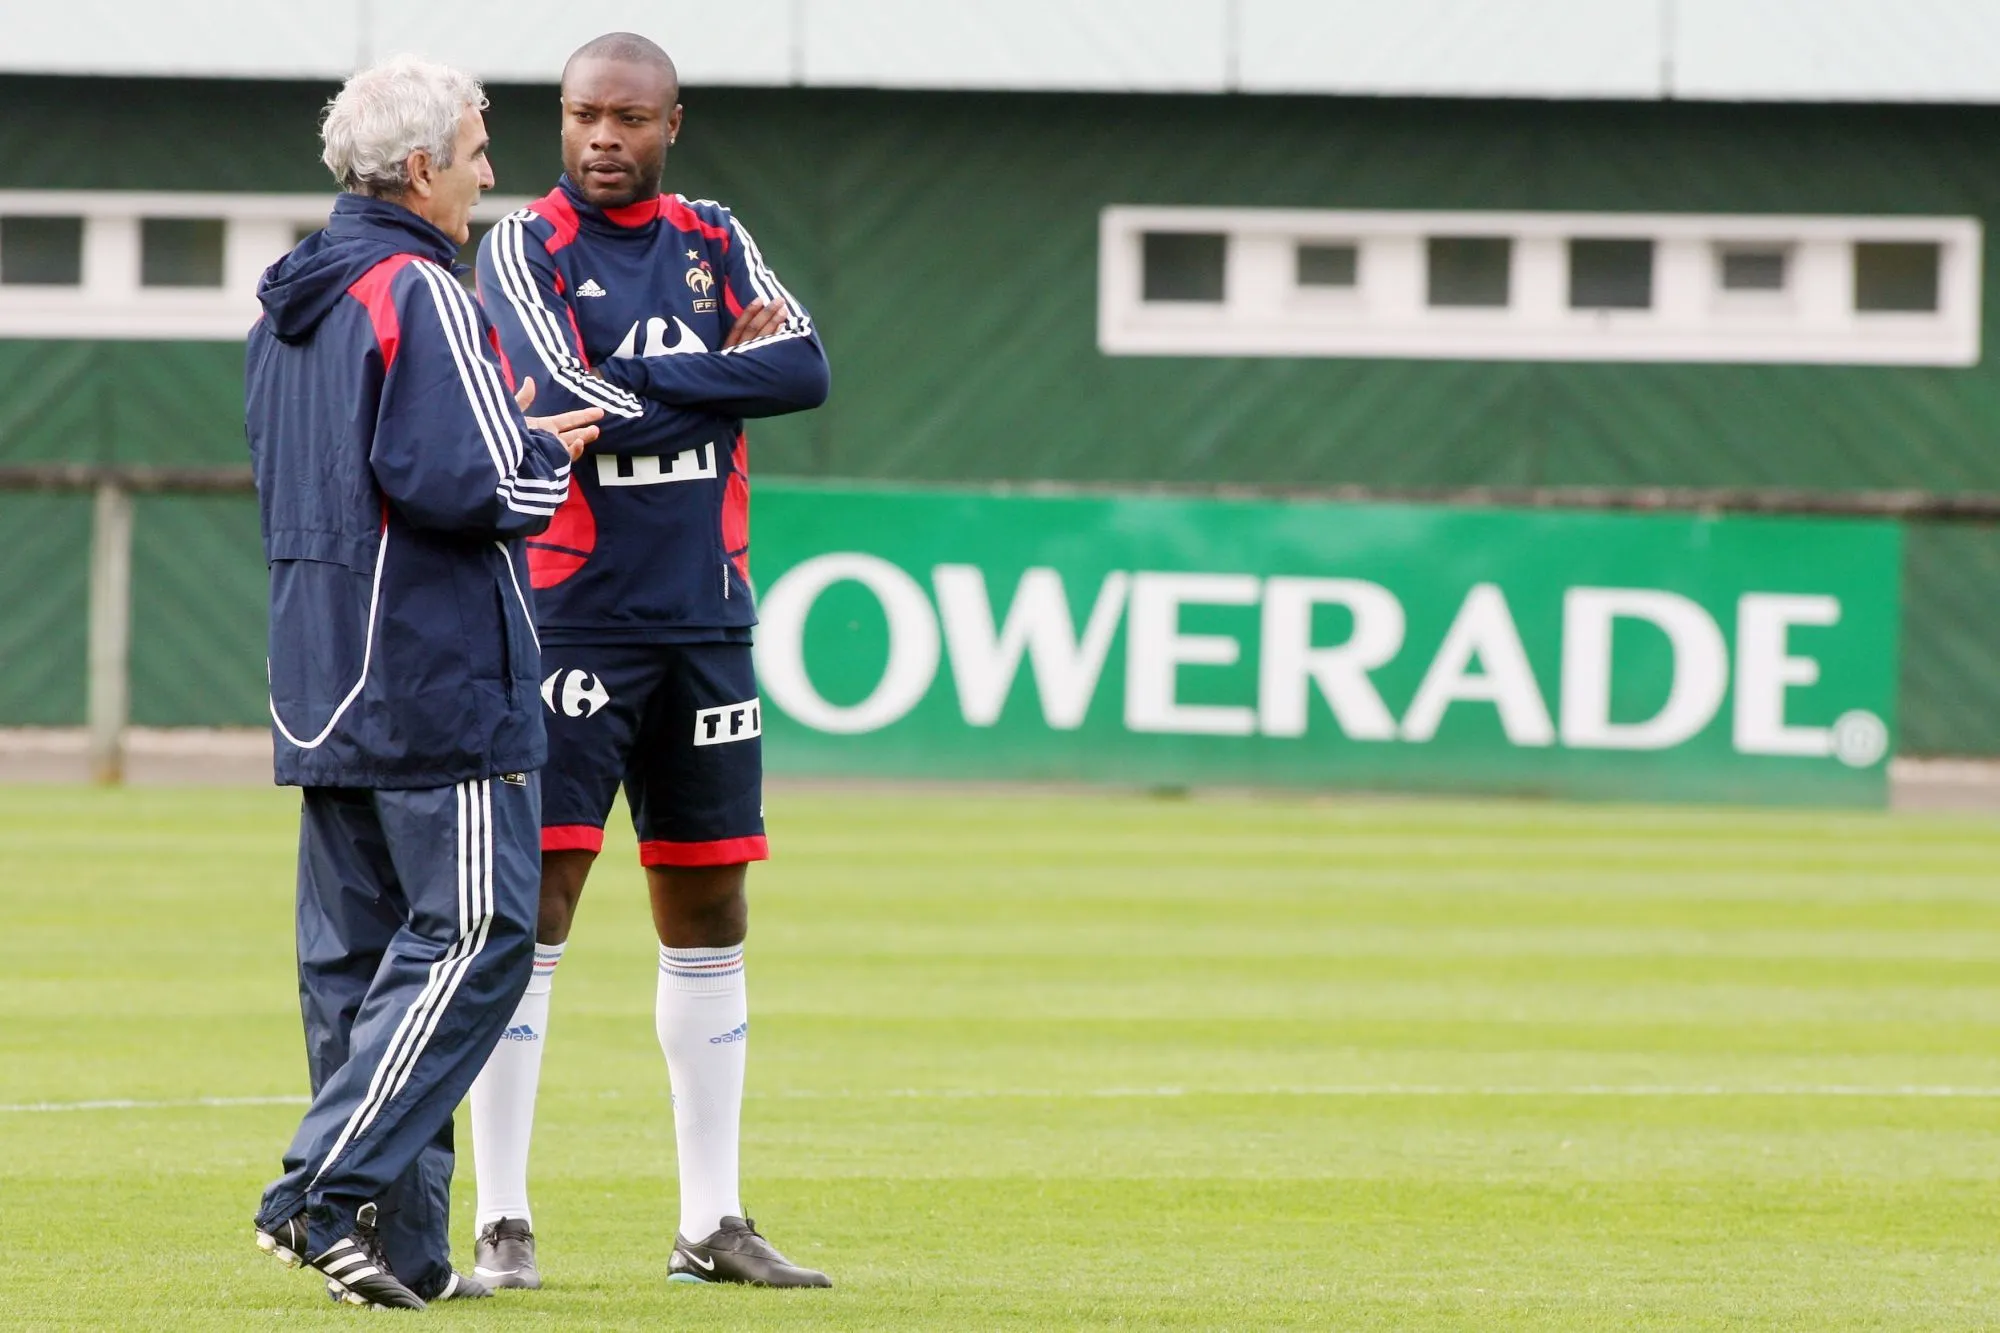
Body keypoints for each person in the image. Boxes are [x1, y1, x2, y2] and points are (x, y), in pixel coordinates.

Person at [468, 30, 831, 1290]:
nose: (602, 139)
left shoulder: (715, 236)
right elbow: (558, 383)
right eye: (581, 117)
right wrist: (721, 375)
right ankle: (502, 1214)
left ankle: (709, 1221)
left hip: (706, 621)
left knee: (710, 905)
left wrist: (661, 374)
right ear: (559, 124)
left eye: (628, 118)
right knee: (538, 909)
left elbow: (809, 368)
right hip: (571, 619)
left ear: (673, 122)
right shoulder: (522, 245)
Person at [243, 55, 602, 1309]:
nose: (490, 171)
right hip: (432, 675)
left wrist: (496, 443)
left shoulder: (291, 301)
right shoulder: (420, 289)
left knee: (355, 967)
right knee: (475, 936)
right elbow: (466, 485)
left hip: (318, 674)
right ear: (417, 171)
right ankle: (319, 1192)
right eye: (475, 149)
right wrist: (541, 456)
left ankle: (401, 1251)